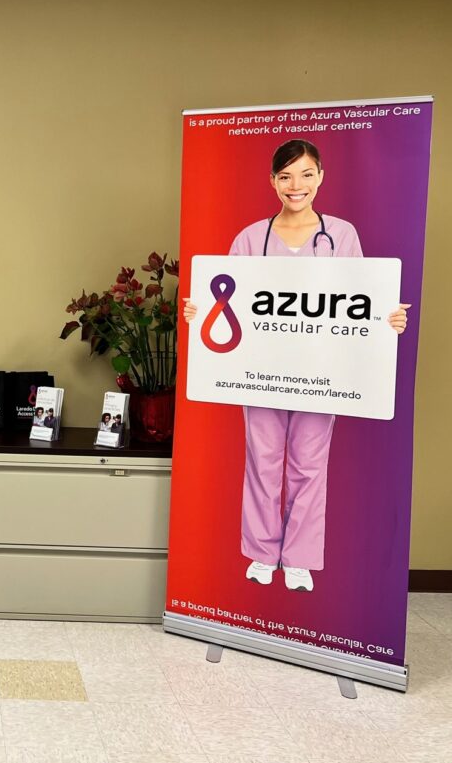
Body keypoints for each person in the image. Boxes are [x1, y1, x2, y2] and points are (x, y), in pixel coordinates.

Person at [183, 139, 409, 593]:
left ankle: (300, 557)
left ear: (321, 176)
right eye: (285, 176)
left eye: (305, 174)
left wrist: (390, 320)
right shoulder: (251, 238)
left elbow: (360, 302)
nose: (296, 185)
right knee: (262, 462)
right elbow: (228, 305)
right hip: (260, 375)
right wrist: (198, 310)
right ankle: (263, 554)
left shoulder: (341, 236)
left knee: (309, 463)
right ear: (272, 181)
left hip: (319, 376)